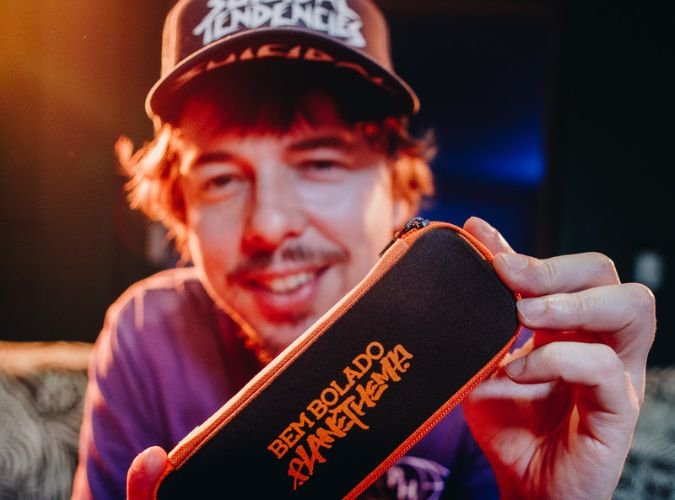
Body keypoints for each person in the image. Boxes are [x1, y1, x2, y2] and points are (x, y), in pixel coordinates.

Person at [71, 0, 656, 498]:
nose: (268, 226)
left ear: (400, 191)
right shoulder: (147, 335)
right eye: (221, 178)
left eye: (320, 164)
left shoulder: (496, 365)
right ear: (179, 206)